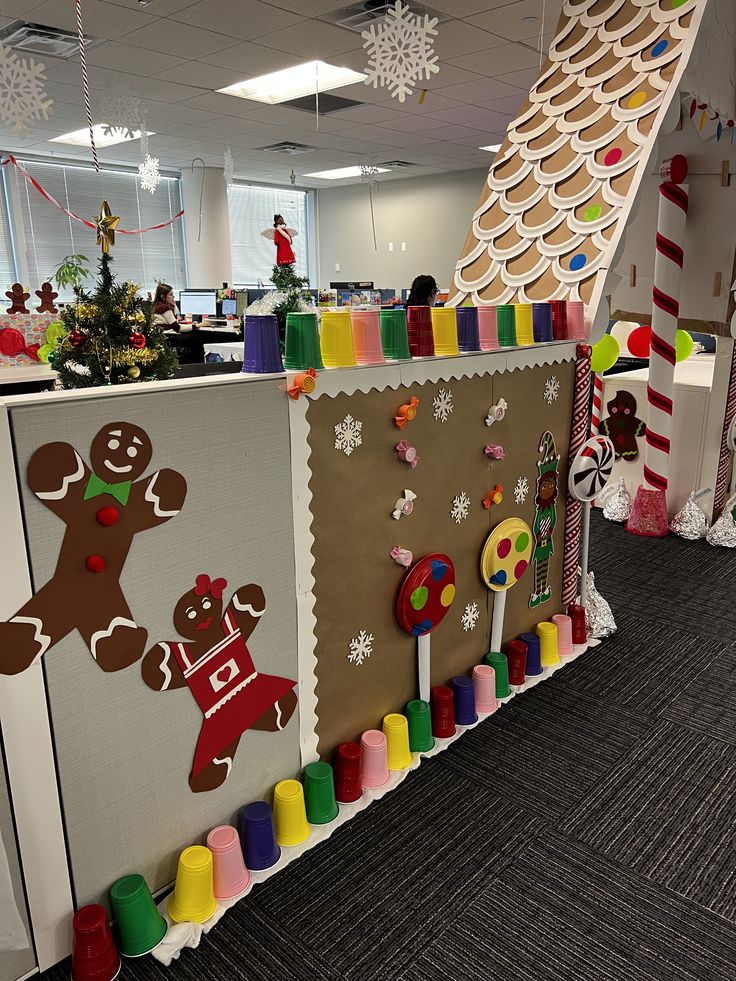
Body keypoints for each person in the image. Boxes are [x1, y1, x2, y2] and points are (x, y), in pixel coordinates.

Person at [153, 283, 204, 364]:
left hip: (163, 336)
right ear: (163, 296)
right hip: (169, 337)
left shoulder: (157, 306)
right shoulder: (164, 307)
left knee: (193, 335)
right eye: (170, 295)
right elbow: (178, 328)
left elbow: (174, 322)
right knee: (197, 337)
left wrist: (173, 305)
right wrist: (198, 325)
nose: (173, 297)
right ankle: (199, 365)